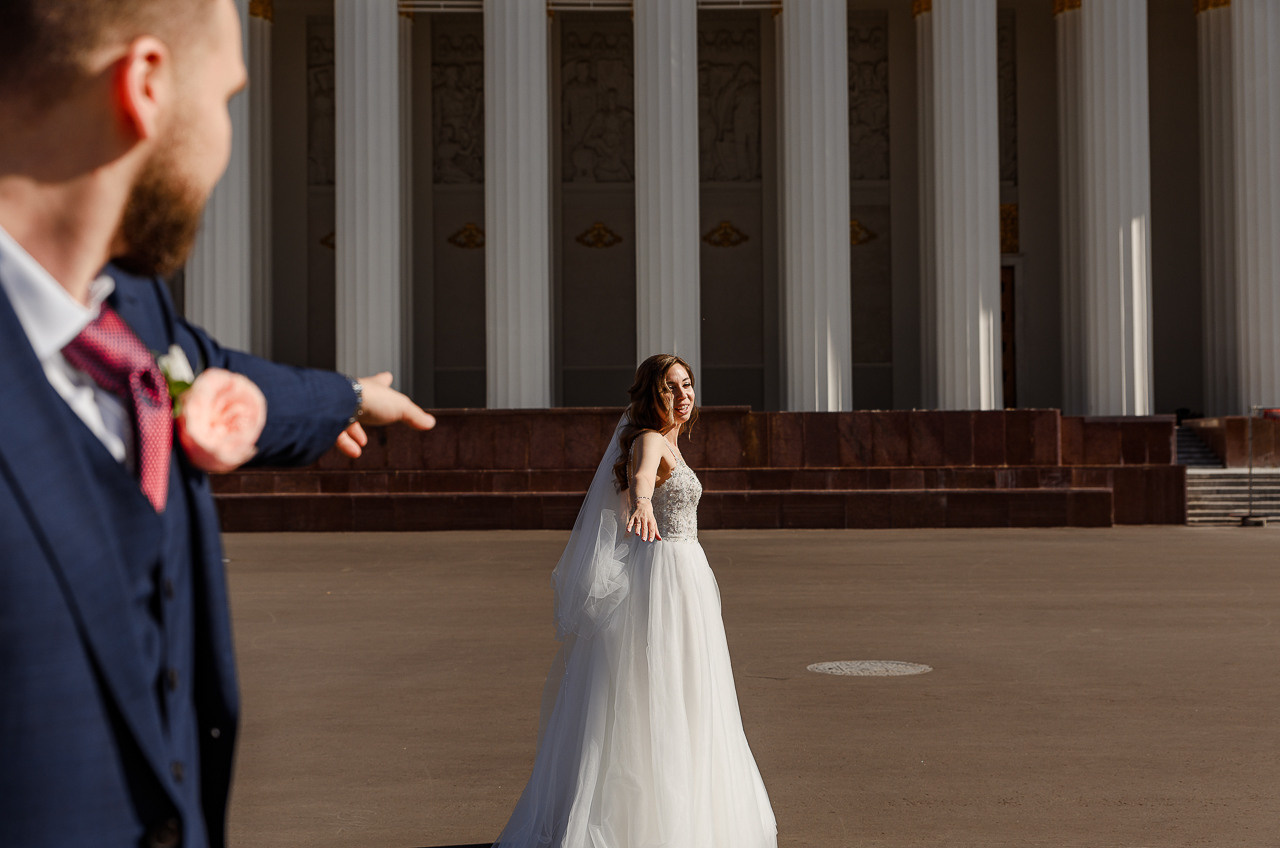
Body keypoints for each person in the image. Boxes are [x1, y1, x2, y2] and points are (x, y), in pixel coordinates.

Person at [0, 1, 435, 846]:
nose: (227, 146)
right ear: (146, 86)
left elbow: (208, 369)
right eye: (228, 99)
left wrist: (345, 396)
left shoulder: (132, 310)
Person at [493, 354, 777, 848]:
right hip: (666, 577)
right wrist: (643, 500)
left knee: (686, 688)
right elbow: (642, 479)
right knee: (663, 690)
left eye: (688, 385)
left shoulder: (671, 442)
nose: (684, 395)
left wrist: (640, 503)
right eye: (672, 388)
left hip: (683, 576)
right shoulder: (650, 440)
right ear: (652, 395)